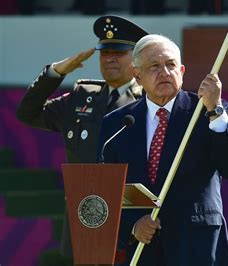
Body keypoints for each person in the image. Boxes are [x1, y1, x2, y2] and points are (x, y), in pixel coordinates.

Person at [97, 34, 228, 265]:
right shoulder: (117, 123)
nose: (165, 73)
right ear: (137, 75)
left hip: (197, 246)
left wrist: (216, 111)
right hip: (145, 249)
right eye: (154, 67)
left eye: (170, 65)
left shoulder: (206, 111)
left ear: (182, 71)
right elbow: (107, 190)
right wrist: (132, 226)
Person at [16, 15, 148, 261]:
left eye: (119, 52)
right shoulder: (82, 96)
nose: (109, 58)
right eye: (104, 51)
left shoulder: (148, 101)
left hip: (131, 224)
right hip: (86, 220)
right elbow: (27, 113)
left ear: (136, 59)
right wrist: (55, 72)